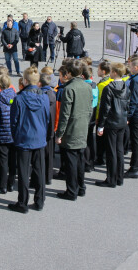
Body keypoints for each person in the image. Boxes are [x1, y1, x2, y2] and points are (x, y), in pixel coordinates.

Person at [8, 66, 50, 213]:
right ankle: (39, 200)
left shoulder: (19, 99)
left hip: (24, 138)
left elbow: (13, 121)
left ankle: (23, 202)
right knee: (39, 170)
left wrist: (15, 136)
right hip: (39, 137)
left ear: (25, 81)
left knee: (24, 172)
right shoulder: (44, 97)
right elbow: (47, 118)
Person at [55, 60, 92, 200]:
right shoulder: (87, 86)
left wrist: (60, 134)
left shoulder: (69, 89)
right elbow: (89, 109)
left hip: (72, 129)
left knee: (71, 162)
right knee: (80, 160)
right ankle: (81, 187)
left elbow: (65, 114)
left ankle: (71, 191)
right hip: (82, 127)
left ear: (69, 73)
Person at [95, 62, 129, 187]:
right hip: (121, 121)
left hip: (111, 122)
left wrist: (101, 125)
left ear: (114, 73)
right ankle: (119, 177)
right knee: (119, 150)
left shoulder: (108, 88)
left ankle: (111, 179)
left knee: (111, 151)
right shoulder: (125, 86)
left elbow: (105, 108)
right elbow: (127, 103)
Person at [0, 74, 17, 194]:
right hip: (14, 134)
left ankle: (2, 185)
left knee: (3, 161)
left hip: (2, 134)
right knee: (12, 160)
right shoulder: (16, 97)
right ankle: (11, 183)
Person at [38, 71, 57, 184]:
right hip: (51, 129)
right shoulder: (52, 94)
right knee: (49, 154)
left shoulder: (41, 96)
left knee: (41, 155)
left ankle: (41, 176)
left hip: (42, 129)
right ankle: (48, 176)